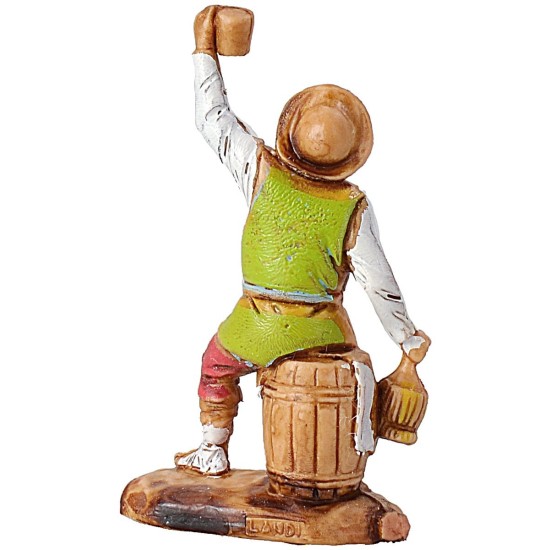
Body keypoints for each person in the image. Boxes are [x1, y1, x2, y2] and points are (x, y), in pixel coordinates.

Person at [175, 6, 429, 475]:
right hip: (323, 333)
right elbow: (380, 283)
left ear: (290, 133)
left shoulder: (260, 171)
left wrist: (205, 49)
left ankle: (213, 448)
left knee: (216, 366)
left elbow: (212, 118)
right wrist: (406, 337)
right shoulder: (352, 205)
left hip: (256, 323)